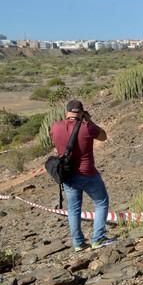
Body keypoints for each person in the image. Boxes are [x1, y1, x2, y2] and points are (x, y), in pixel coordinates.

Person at [50, 100, 113, 251]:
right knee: (101, 202)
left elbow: (55, 144)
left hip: (68, 175)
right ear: (82, 112)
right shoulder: (87, 127)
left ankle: (78, 243)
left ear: (66, 112)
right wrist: (89, 119)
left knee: (73, 209)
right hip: (88, 173)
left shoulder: (55, 127)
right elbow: (103, 136)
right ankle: (98, 238)